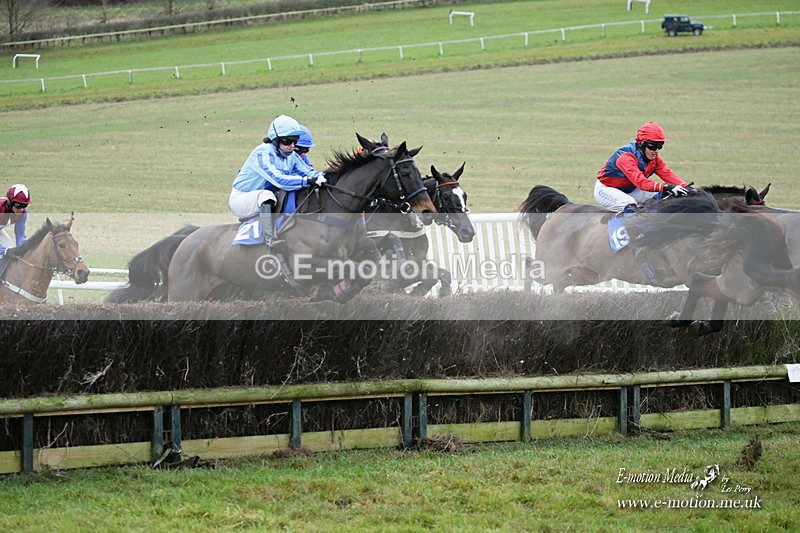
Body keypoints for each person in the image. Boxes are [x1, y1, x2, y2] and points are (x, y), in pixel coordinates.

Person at [229, 115, 326, 252]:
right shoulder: (262, 152)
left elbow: (308, 172)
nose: (292, 146)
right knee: (266, 195)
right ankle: (270, 240)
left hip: (265, 196)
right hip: (242, 198)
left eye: (294, 142)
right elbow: (279, 180)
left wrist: (325, 178)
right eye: (287, 142)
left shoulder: (291, 156)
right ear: (275, 140)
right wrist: (306, 181)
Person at [594, 122, 692, 212]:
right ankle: (620, 231)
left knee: (665, 197)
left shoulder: (655, 160)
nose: (656, 151)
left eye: (660, 146)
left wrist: (687, 188)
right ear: (641, 144)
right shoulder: (625, 157)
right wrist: (666, 186)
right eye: (652, 146)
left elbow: (667, 174)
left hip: (631, 190)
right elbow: (641, 183)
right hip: (606, 189)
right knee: (630, 205)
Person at [0, 184, 30, 257]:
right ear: (10, 202)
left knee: (14, 255)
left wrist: (22, 248)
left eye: (24, 206)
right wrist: (4, 250)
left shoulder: (23, 213)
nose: (21, 209)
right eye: (18, 205)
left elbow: (20, 235)